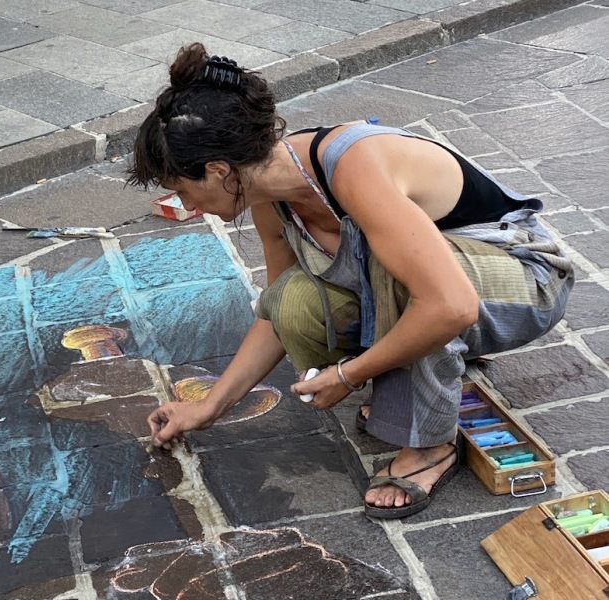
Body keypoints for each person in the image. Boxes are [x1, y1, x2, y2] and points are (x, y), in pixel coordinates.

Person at [127, 43, 573, 518]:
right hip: (446, 285)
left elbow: (450, 306)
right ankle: (405, 374)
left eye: (184, 190)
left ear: (219, 170)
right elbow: (278, 310)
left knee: (394, 271)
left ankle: (430, 446)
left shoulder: (353, 167)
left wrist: (348, 374)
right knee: (295, 301)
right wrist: (211, 406)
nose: (190, 207)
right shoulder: (264, 193)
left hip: (524, 278)